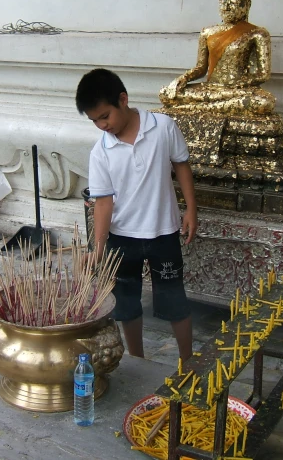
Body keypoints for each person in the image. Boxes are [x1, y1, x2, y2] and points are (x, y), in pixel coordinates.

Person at [76, 68, 198, 361]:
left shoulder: (163, 127)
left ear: (123, 99)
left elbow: (181, 165)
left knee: (175, 302)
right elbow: (103, 202)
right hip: (122, 240)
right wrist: (99, 247)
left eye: (105, 116)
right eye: (95, 121)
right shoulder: (101, 152)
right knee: (127, 306)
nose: (102, 125)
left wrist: (191, 209)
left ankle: (188, 360)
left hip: (163, 233)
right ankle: (139, 360)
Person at [159, 0, 275, 116]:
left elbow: (263, 74)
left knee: (264, 102)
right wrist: (182, 79)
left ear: (246, 4)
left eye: (233, 1)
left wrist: (240, 83)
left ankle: (192, 109)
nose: (227, 6)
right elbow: (201, 68)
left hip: (235, 91)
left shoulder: (257, 34)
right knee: (166, 93)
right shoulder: (208, 32)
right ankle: (201, 107)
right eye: (223, 0)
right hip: (210, 90)